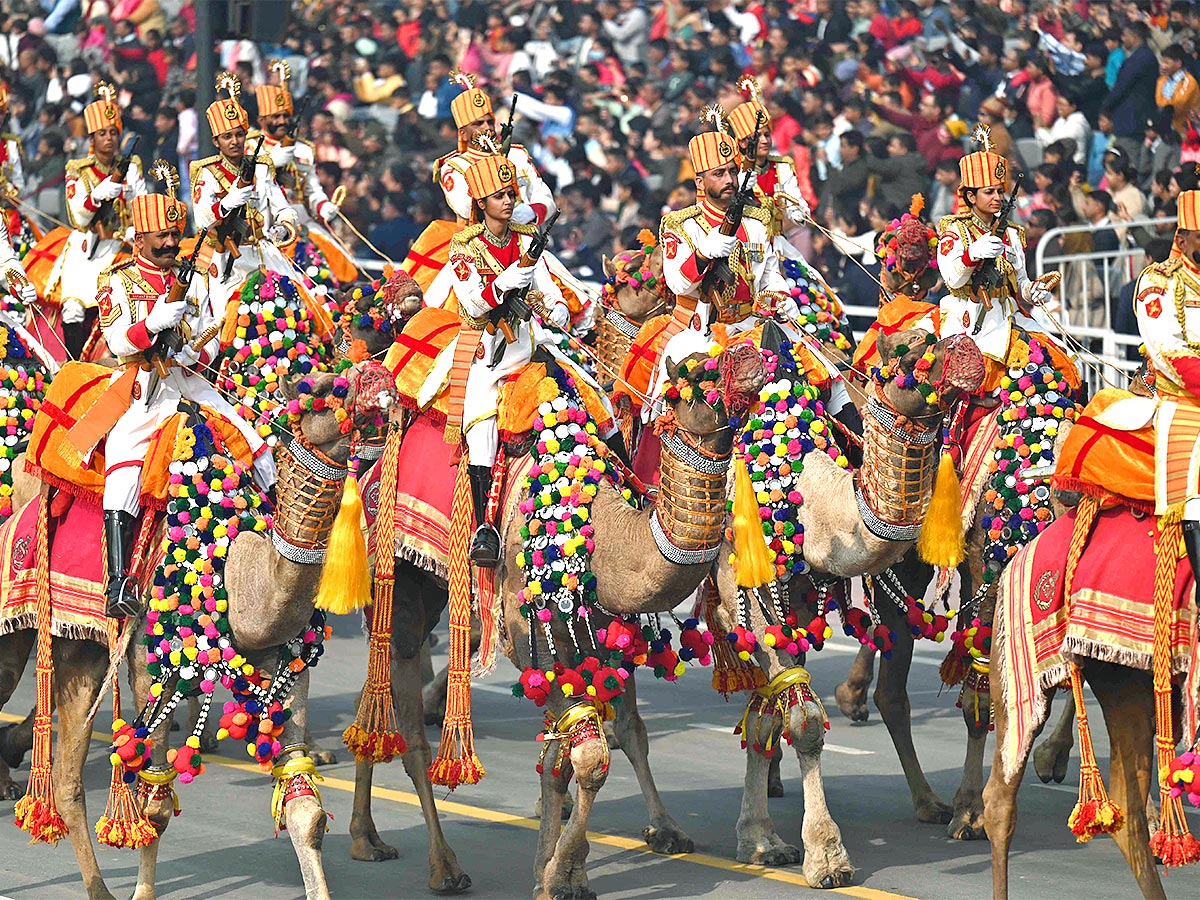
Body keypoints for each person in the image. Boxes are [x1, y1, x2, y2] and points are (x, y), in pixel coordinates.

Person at [99, 169, 275, 617]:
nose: (169, 244)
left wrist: (195, 349)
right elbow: (118, 340)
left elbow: (212, 333)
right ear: (139, 240)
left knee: (256, 444)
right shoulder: (116, 280)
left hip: (192, 382)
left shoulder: (197, 275)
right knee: (123, 463)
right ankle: (119, 582)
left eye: (174, 235)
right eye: (160, 236)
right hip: (145, 391)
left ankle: (278, 550)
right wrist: (153, 324)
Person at [443, 150, 570, 566]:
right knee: (482, 434)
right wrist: (503, 283)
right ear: (481, 203)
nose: (507, 200)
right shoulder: (464, 248)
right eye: (498, 195)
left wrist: (557, 307)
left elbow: (547, 288)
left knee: (590, 398)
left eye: (510, 192)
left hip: (528, 351)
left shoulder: (526, 238)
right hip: (487, 357)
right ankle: (484, 526)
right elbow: (475, 304)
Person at [936, 127, 1062, 385]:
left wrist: (1033, 291)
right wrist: (973, 254)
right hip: (968, 318)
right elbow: (953, 280)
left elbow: (1021, 284)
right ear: (971, 196)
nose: (997, 198)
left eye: (999, 191)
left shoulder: (1013, 234)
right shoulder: (955, 231)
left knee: (1064, 360)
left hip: (1009, 316)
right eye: (989, 192)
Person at [48, 81, 147, 359]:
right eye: (102, 133)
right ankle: (72, 361)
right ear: (92, 137)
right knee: (74, 304)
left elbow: (140, 202)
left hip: (123, 244)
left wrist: (134, 229)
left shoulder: (132, 167)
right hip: (89, 244)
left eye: (113, 132)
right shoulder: (78, 170)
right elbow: (78, 214)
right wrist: (98, 194)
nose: (109, 139)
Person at [190, 72, 300, 315]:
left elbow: (284, 208)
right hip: (227, 258)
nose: (235, 141)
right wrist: (229, 201)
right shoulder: (207, 172)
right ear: (216, 141)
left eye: (239, 134)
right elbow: (202, 219)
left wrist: (283, 226)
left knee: (304, 304)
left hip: (266, 251)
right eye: (227, 136)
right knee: (222, 320)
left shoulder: (261, 167)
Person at [1132, 190, 1200, 576]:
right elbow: (1166, 350)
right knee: (1194, 495)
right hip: (1184, 403)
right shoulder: (1158, 282)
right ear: (1181, 239)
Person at [247, 59, 355, 282]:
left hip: (304, 223)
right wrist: (269, 162)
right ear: (262, 119)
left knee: (342, 271)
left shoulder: (304, 149)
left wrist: (324, 206)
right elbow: (244, 185)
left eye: (286, 116)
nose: (282, 121)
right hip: (265, 227)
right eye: (276, 116)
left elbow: (312, 190)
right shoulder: (249, 145)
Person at [435, 71, 556, 227]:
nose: (487, 128)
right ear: (463, 134)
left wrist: (531, 212)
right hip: (482, 247)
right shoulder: (454, 167)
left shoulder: (516, 155)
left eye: (490, 122)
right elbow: (467, 208)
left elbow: (545, 196)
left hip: (529, 240)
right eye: (478, 124)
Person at [727, 80, 812, 262]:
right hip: (743, 248)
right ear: (742, 142)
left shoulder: (782, 166)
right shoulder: (731, 171)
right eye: (757, 137)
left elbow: (795, 198)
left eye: (767, 135)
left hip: (779, 243)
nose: (765, 140)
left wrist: (799, 211)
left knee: (812, 282)